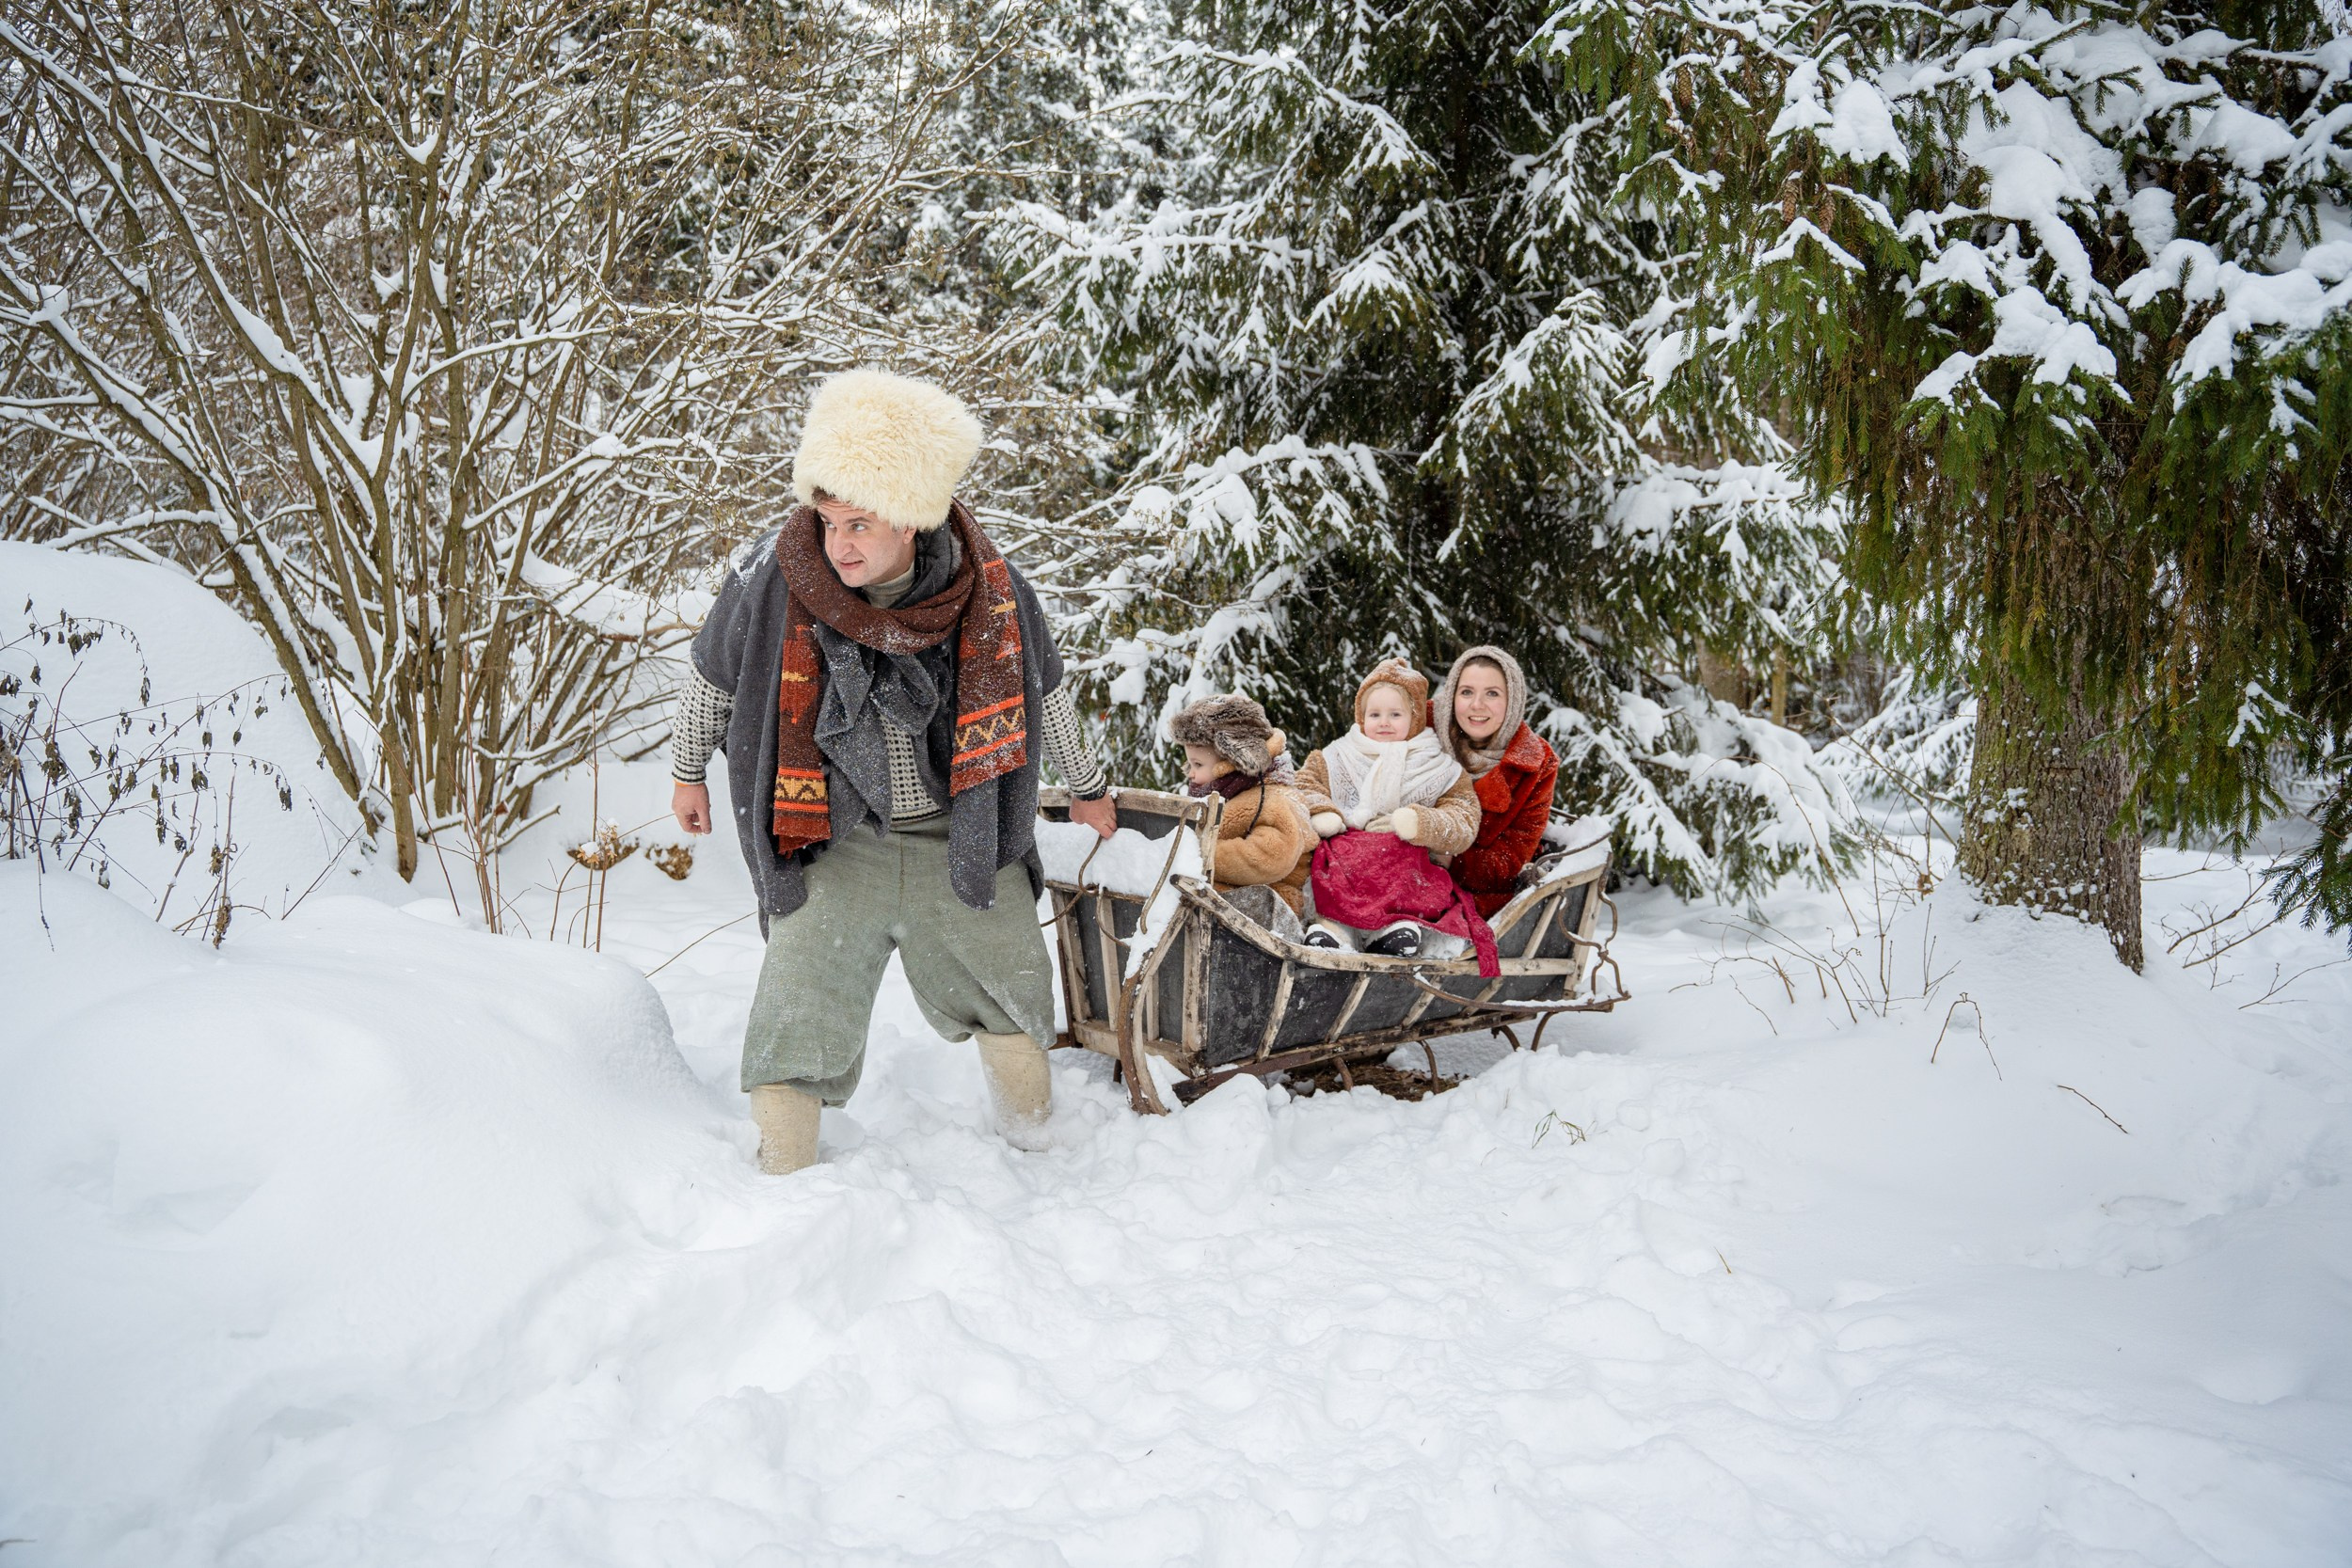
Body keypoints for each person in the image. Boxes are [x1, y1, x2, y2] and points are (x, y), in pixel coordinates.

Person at [668, 369, 1118, 1176]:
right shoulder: (772, 578)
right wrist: (685, 770)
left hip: (959, 836)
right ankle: (780, 1179)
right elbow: (713, 677)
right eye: (829, 520)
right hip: (838, 842)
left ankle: (1039, 1153)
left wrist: (1087, 790)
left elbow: (1043, 694)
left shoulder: (991, 589)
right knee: (796, 1005)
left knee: (1014, 984)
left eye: (860, 524)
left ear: (911, 519)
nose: (838, 543)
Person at [1293, 658, 1491, 967]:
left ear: (1414, 718)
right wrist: (1322, 811)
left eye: (1395, 714)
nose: (1383, 722)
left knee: (1404, 868)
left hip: (1403, 861)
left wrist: (1420, 823)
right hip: (1345, 855)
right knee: (1331, 875)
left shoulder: (1438, 767)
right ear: (1361, 717)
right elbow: (1304, 784)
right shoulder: (1336, 756)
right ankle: (1335, 930)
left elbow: (1463, 816)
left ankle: (1394, 928)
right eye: (1374, 714)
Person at [1168, 694, 1314, 940]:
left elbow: (1271, 856)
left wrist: (1200, 854)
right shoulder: (1228, 793)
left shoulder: (1274, 798)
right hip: (1230, 898)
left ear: (1232, 763)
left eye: (1197, 765)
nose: (1190, 773)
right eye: (1189, 764)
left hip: (1272, 905)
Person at [1433, 645, 1561, 918]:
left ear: (1512, 700)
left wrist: (1447, 856)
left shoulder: (1535, 764)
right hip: (1397, 872)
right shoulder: (1421, 726)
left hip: (1474, 898)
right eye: (1466, 692)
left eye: (1492, 693)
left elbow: (1510, 860)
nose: (1477, 705)